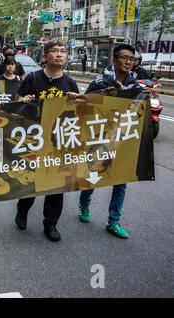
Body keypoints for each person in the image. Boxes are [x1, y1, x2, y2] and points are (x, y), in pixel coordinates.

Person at [15, 39, 80, 242]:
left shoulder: (70, 83)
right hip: (34, 140)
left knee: (56, 186)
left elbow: (78, 114)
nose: (59, 54)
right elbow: (16, 105)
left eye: (63, 51)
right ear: (45, 56)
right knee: (31, 183)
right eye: (54, 51)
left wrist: (75, 101)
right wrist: (23, 101)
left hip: (58, 142)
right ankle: (22, 211)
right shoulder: (32, 79)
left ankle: (50, 224)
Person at [78, 44, 142, 239]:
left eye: (131, 58)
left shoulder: (134, 83)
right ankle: (84, 205)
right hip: (99, 136)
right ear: (114, 60)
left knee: (121, 180)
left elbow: (138, 109)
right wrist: (102, 96)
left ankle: (113, 221)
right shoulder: (100, 81)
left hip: (122, 139)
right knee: (94, 176)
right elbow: (84, 104)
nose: (128, 62)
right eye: (124, 58)